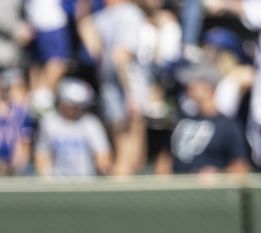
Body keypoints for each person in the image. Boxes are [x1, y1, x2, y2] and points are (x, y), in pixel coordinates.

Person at [78, 0, 149, 175]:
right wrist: (130, 93)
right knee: (131, 144)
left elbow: (88, 34)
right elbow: (121, 56)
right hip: (127, 81)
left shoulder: (102, 17)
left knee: (120, 141)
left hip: (107, 80)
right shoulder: (130, 13)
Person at [157, 63, 249, 175]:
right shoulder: (181, 119)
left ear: (207, 87)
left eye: (193, 82)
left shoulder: (228, 125)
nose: (187, 86)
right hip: (176, 188)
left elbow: (240, 167)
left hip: (208, 191)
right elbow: (166, 157)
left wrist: (218, 174)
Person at [35, 77, 113, 176]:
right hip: (57, 185)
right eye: (75, 105)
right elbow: (42, 156)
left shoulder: (91, 124)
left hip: (86, 184)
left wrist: (103, 166)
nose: (78, 109)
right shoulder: (49, 123)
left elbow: (103, 156)